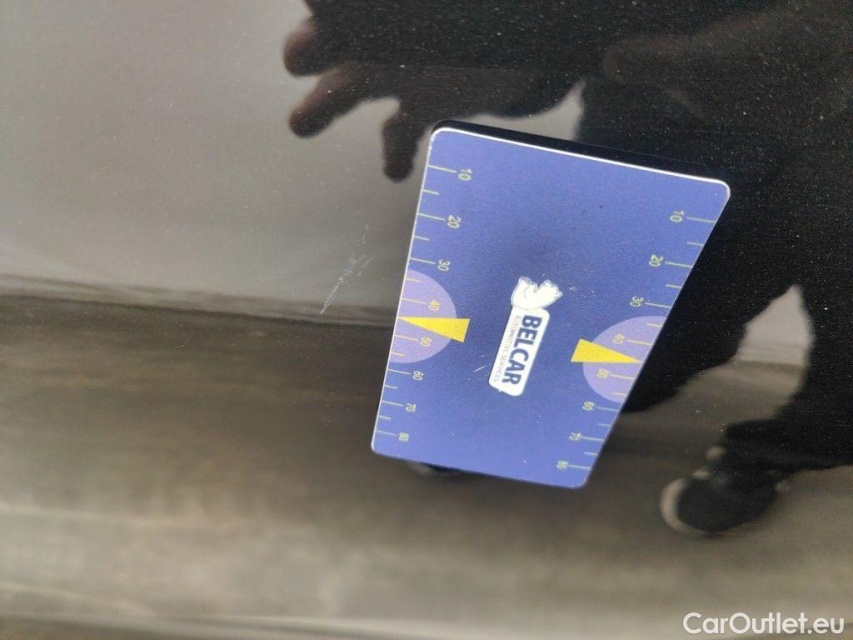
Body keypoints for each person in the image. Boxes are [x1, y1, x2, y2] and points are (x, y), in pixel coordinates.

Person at [283, 1, 852, 536]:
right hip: (667, 124)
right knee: (629, 357)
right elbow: (577, 37)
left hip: (837, 144)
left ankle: (780, 451)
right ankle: (661, 360)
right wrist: (505, 62)